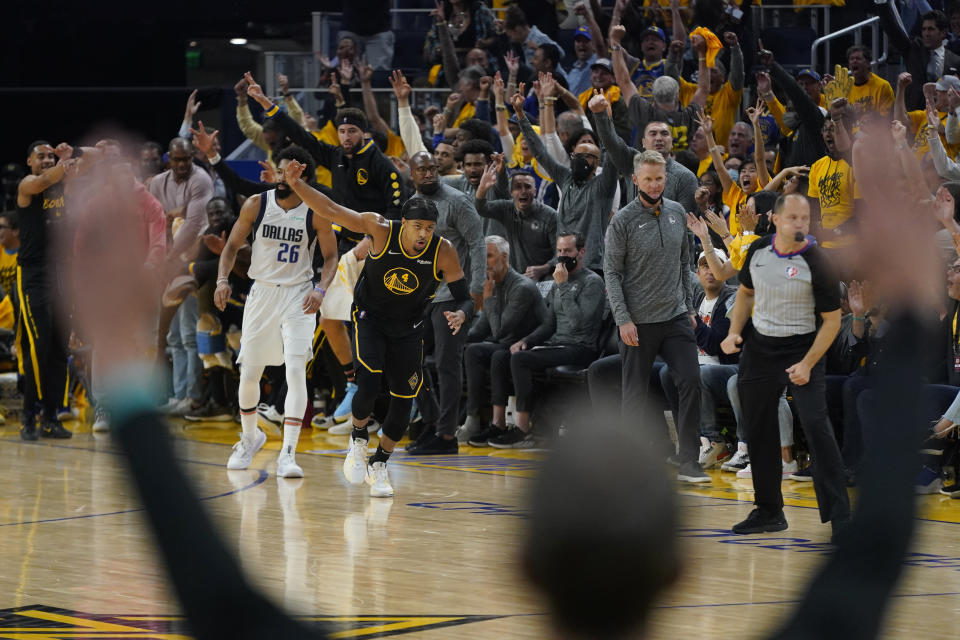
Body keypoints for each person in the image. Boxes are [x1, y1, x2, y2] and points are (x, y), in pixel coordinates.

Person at [282, 158, 473, 496]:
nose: (423, 234)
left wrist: (462, 314)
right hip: (370, 318)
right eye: (418, 227)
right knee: (368, 383)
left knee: (403, 401)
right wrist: (298, 185)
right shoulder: (381, 229)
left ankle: (380, 462)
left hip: (411, 327)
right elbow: (331, 209)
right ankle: (357, 441)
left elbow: (464, 296)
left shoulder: (443, 251)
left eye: (429, 228)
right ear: (405, 224)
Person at [721, 193, 851, 538]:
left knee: (816, 426)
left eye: (805, 219)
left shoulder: (818, 260)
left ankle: (841, 520)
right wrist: (735, 332)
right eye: (792, 217)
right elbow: (746, 293)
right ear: (775, 220)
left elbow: (832, 321)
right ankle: (768, 511)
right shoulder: (758, 251)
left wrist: (808, 363)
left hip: (805, 345)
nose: (799, 224)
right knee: (758, 426)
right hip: (761, 347)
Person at [213, 146, 338, 478]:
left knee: (296, 369)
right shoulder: (257, 204)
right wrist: (222, 280)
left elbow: (330, 258)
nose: (282, 176)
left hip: (299, 295)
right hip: (262, 293)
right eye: (280, 171)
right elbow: (230, 248)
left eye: (290, 172)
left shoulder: (316, 212)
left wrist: (320, 289)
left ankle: (288, 452)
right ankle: (250, 437)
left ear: (304, 177)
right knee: (250, 371)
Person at [604, 149, 707, 483]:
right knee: (634, 395)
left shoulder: (677, 211)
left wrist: (689, 307)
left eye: (659, 178)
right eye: (647, 178)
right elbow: (611, 272)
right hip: (638, 321)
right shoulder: (622, 221)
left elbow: (684, 263)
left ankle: (689, 459)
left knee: (691, 381)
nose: (653, 184)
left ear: (667, 179)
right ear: (635, 179)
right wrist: (623, 319)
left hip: (676, 316)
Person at [16, 140, 101, 439]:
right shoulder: (28, 184)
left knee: (58, 348)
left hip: (60, 274)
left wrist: (73, 152)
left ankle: (51, 417)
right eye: (40, 156)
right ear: (29, 161)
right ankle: (29, 416)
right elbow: (44, 180)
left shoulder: (63, 179)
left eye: (50, 156)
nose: (46, 160)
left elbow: (94, 157)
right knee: (37, 348)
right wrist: (63, 163)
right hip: (33, 275)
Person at [461, 235, 546, 446]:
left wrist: (487, 298)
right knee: (471, 351)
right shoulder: (494, 283)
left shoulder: (522, 287)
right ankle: (473, 418)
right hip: (508, 342)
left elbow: (498, 331)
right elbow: (482, 329)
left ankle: (499, 422)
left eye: (489, 256)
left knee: (499, 355)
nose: (485, 262)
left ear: (504, 257)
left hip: (532, 342)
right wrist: (457, 338)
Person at [475, 162, 557, 279]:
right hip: (515, 277)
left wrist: (544, 268)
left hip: (545, 277)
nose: (523, 191)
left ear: (535, 190)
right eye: (518, 187)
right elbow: (481, 209)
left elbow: (561, 253)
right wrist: (482, 188)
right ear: (511, 192)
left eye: (527, 186)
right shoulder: (506, 208)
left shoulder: (550, 216)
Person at [876, 2, 960, 111]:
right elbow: (893, 30)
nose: (926, 33)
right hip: (914, 115)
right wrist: (882, 4)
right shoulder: (913, 49)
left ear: (943, 33)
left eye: (931, 29)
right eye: (924, 29)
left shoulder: (955, 60)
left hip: (943, 118)